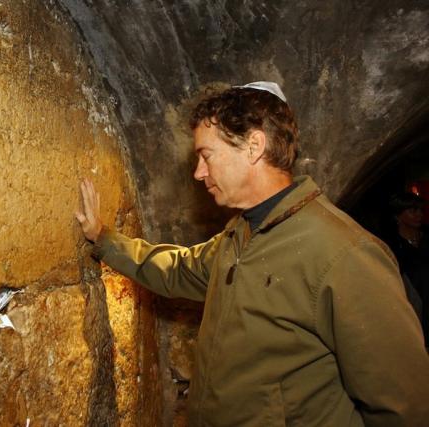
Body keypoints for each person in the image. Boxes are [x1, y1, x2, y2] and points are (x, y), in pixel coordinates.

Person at [75, 82, 429, 426]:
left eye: (205, 155)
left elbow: (403, 408)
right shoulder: (240, 234)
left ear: (253, 146)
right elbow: (177, 269)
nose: (199, 173)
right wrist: (103, 238)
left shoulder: (346, 255)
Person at [386, 192, 429, 345]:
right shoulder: (391, 244)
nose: (419, 215)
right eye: (413, 211)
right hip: (410, 302)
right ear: (398, 216)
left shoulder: (426, 236)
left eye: (420, 211)